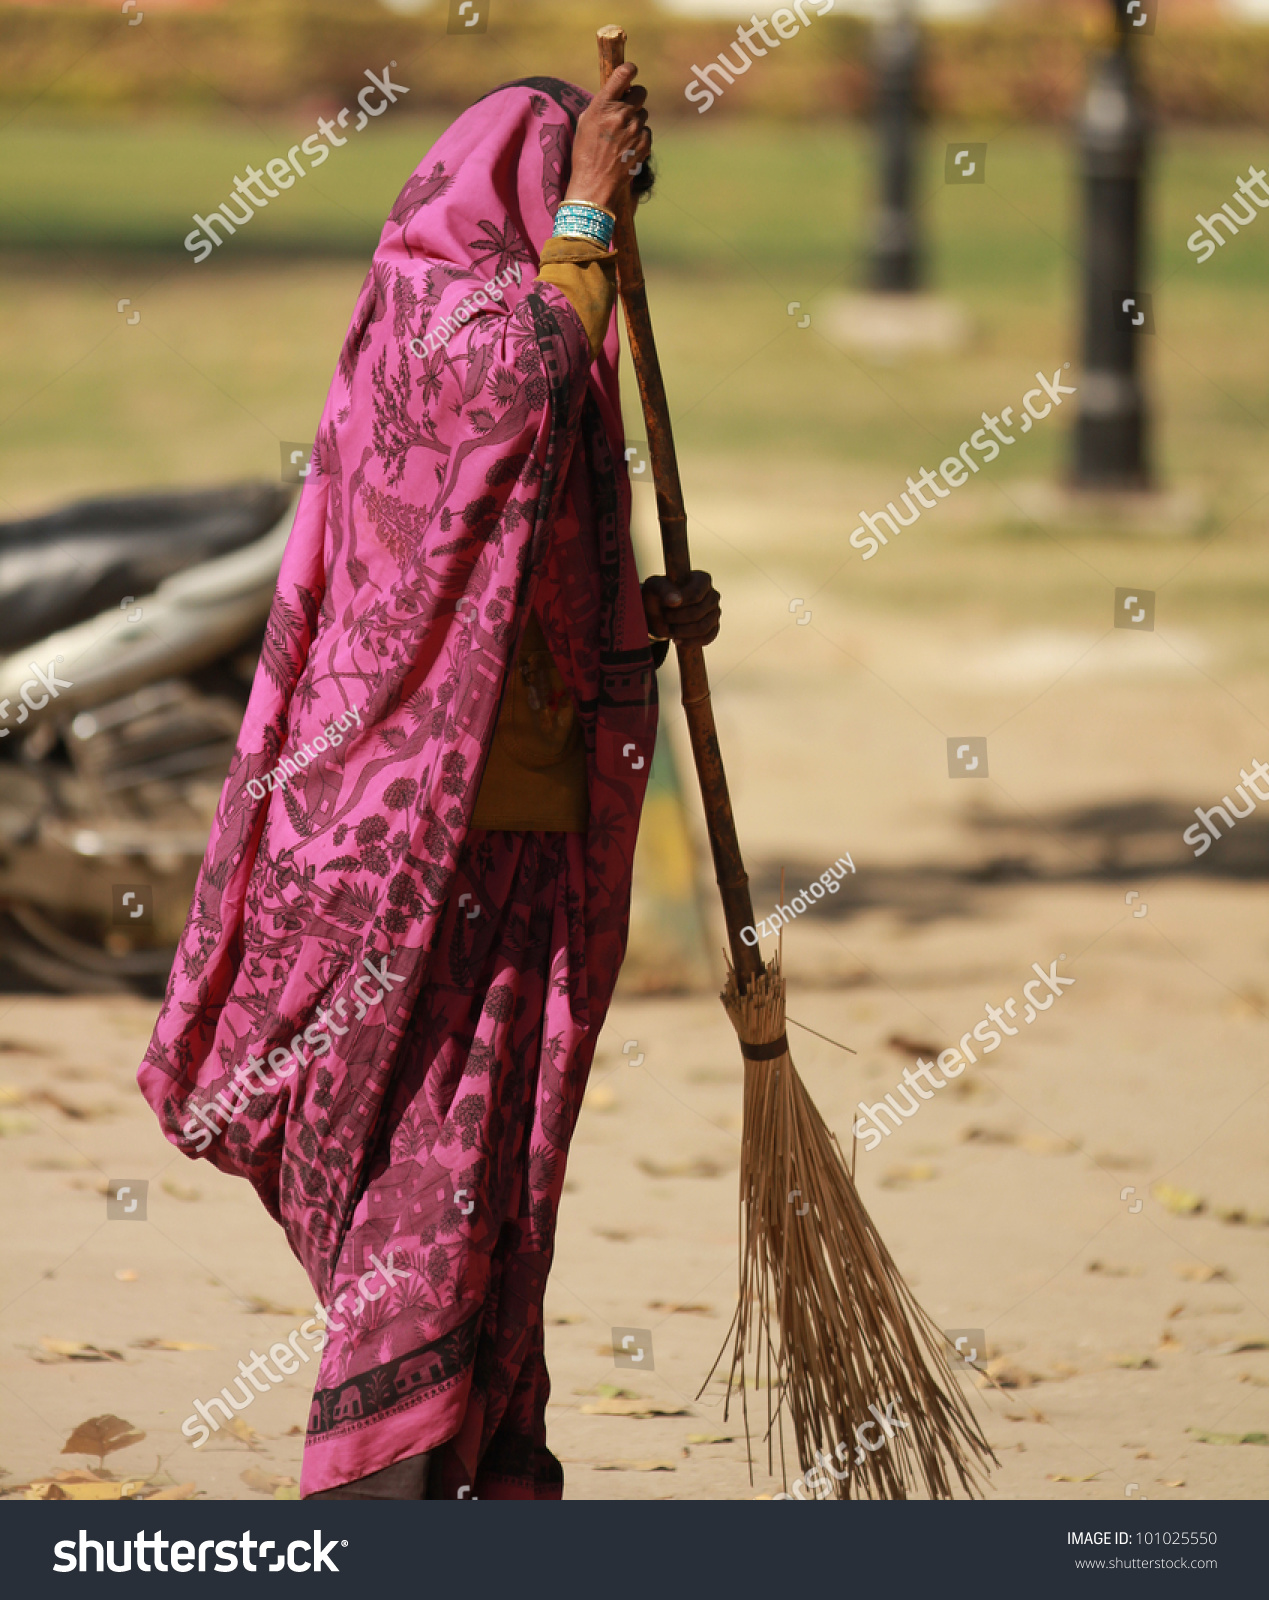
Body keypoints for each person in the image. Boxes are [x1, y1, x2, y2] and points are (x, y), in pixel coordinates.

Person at [138, 62, 721, 1500]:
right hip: (391, 858)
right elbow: (504, 402)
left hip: (516, 838)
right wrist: (588, 202)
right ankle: (375, 1489)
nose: (602, 236)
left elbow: (519, 573)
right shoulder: (436, 315)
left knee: (489, 1183)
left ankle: (463, 1460)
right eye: (580, 203)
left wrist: (645, 619)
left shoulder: (550, 315)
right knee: (422, 1182)